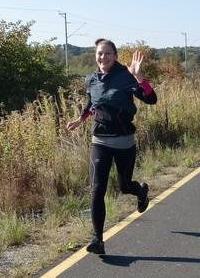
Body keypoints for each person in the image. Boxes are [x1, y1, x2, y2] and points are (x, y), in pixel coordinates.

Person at [67, 38, 157, 254]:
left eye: (108, 53)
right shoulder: (91, 79)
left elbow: (151, 99)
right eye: (99, 53)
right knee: (97, 189)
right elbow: (92, 103)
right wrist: (81, 119)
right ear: (95, 56)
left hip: (124, 141)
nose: (103, 57)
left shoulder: (126, 76)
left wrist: (139, 77)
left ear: (115, 56)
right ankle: (98, 239)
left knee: (124, 186)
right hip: (100, 140)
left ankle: (140, 191)